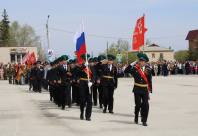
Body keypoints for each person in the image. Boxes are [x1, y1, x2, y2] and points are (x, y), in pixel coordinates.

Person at [124, 53, 152, 126]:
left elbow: (149, 81)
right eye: (140, 60)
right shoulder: (135, 69)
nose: (140, 62)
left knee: (146, 105)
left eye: (142, 61)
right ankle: (136, 115)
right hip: (137, 89)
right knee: (138, 105)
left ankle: (144, 120)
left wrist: (150, 91)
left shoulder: (148, 70)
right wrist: (131, 64)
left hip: (145, 90)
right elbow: (125, 71)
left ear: (145, 62)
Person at [76, 53, 96, 121]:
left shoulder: (91, 67)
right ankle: (82, 112)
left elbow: (94, 75)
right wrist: (84, 66)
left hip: (89, 85)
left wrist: (92, 82)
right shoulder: (81, 67)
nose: (85, 60)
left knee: (89, 101)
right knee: (82, 100)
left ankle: (88, 116)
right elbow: (77, 73)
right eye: (84, 60)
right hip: (82, 85)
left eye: (86, 59)